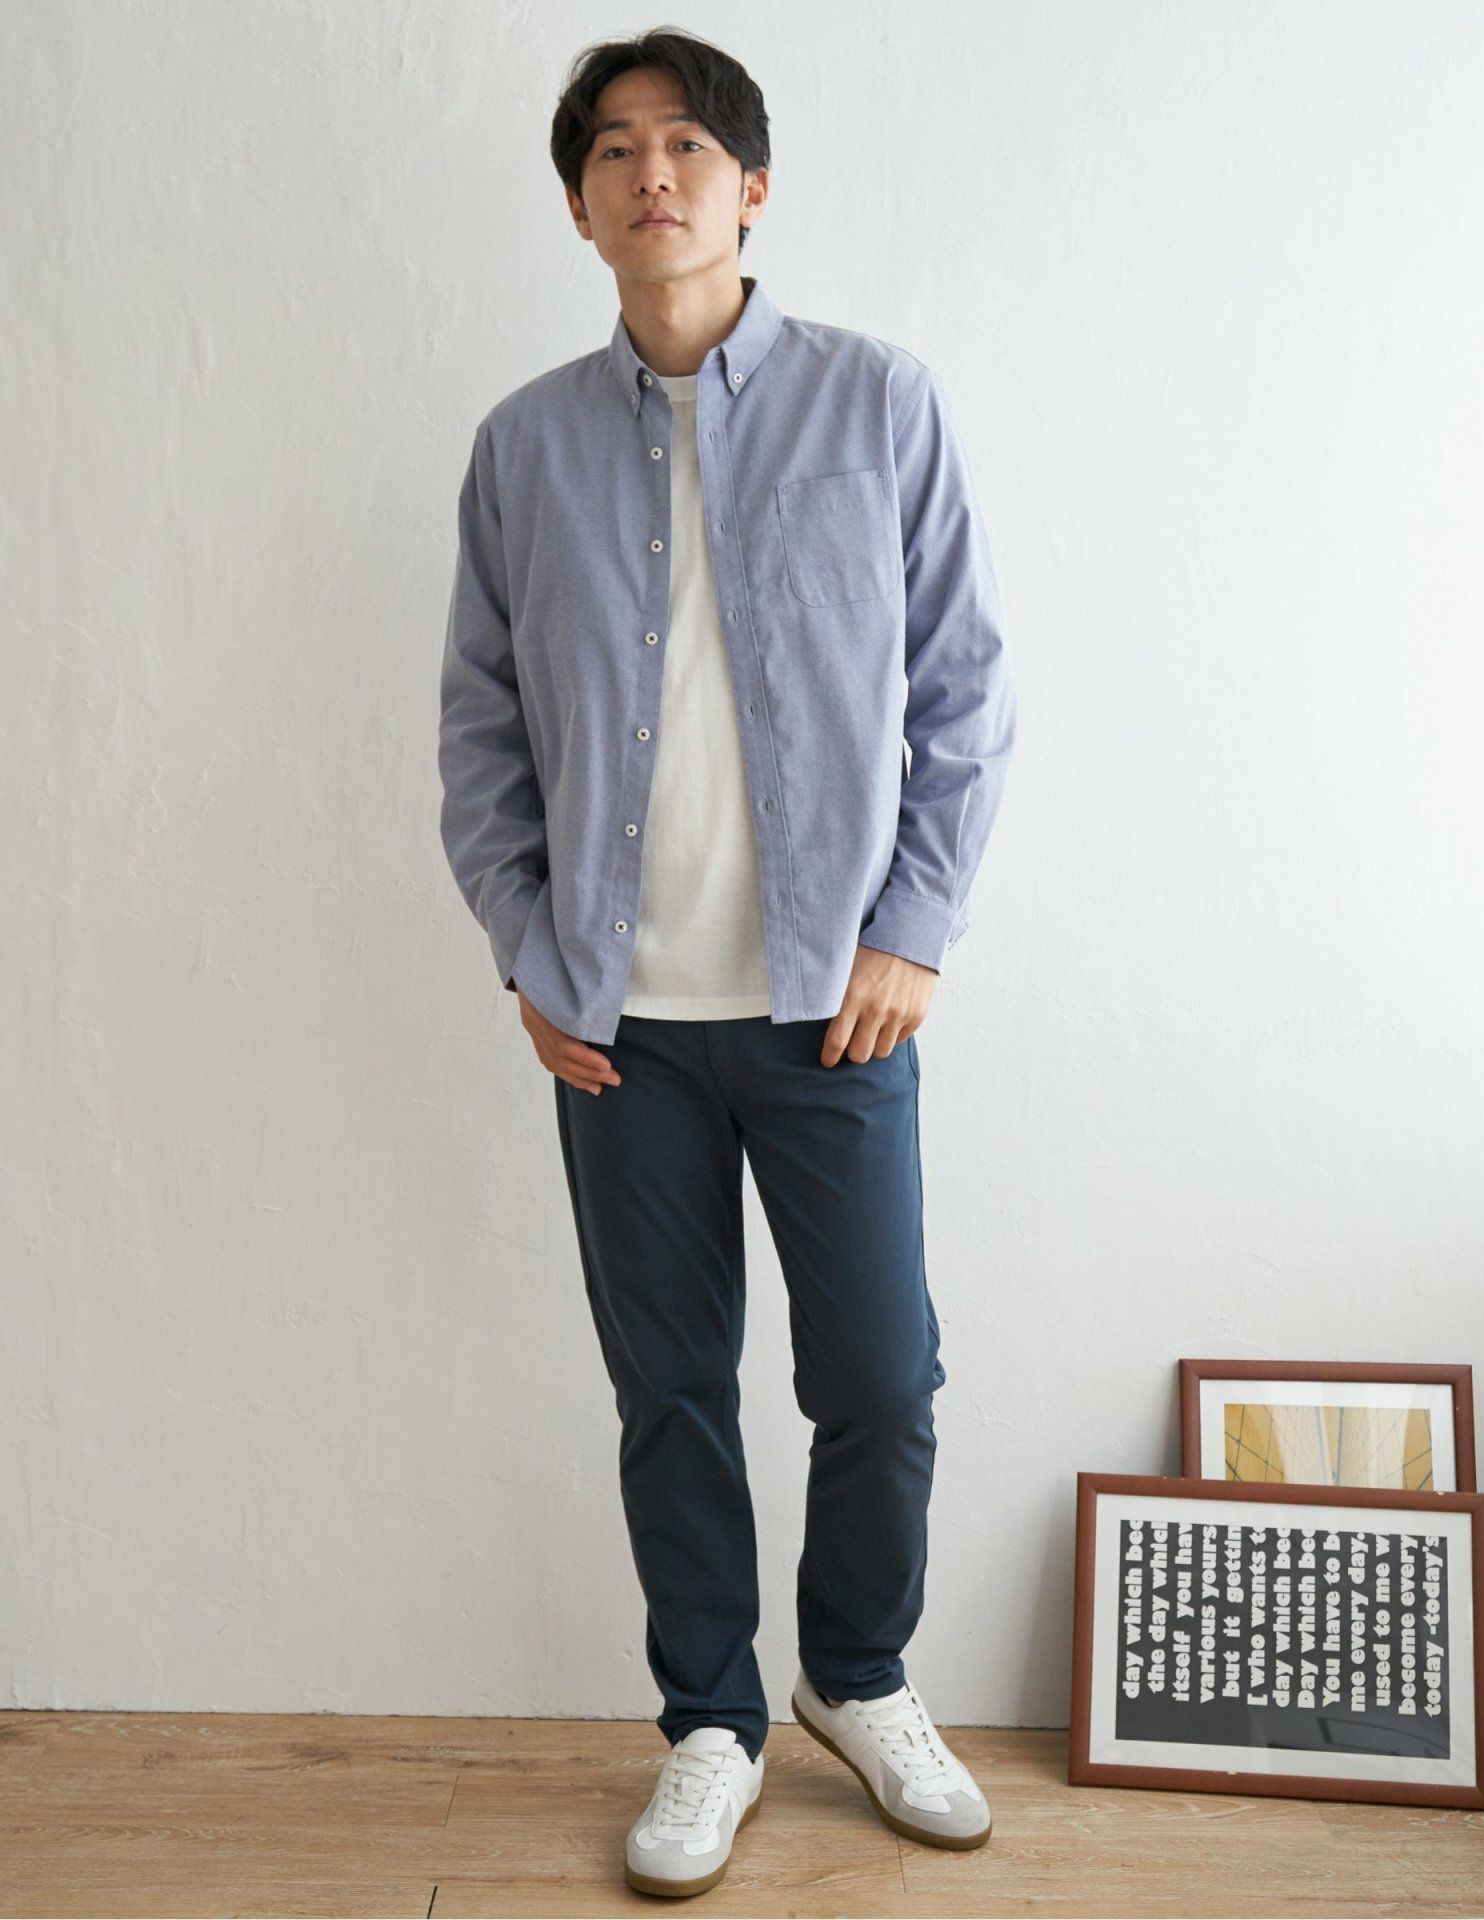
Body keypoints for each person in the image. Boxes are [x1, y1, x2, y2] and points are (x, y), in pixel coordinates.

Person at [438, 25, 1017, 1901]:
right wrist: (529, 954)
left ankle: (860, 1676)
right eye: (614, 150)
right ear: (581, 205)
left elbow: (967, 693)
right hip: (619, 1031)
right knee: (670, 1389)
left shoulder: (879, 403)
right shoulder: (523, 446)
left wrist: (913, 927)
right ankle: (710, 1719)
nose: (652, 174)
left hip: (832, 1009)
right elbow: (479, 734)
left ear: (750, 187)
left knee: (882, 1378)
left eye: (688, 144)